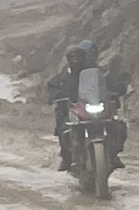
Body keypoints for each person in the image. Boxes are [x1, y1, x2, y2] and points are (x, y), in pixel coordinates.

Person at [48, 36, 129, 168]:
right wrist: (57, 95)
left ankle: (114, 154)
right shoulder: (64, 75)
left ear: (83, 57)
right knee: (64, 128)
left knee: (118, 125)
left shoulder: (95, 71)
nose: (76, 60)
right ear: (68, 59)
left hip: (92, 105)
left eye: (78, 57)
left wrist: (116, 89)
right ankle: (67, 159)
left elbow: (108, 80)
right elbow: (53, 85)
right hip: (75, 107)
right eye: (72, 58)